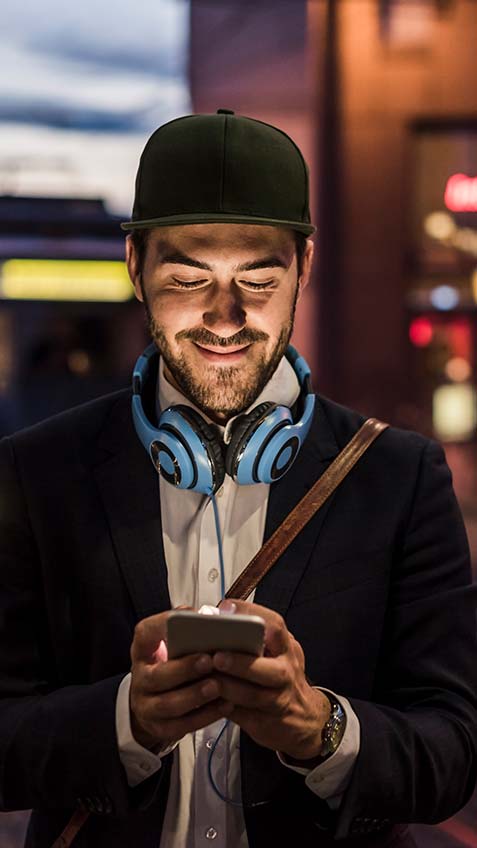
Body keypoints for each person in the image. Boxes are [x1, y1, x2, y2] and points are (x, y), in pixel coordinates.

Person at [0, 109, 476, 848]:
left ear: (304, 269)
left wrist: (321, 729)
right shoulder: (35, 473)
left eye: (258, 278)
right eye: (189, 277)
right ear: (135, 266)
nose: (224, 318)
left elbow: (454, 753)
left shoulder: (399, 476)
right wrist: (125, 721)